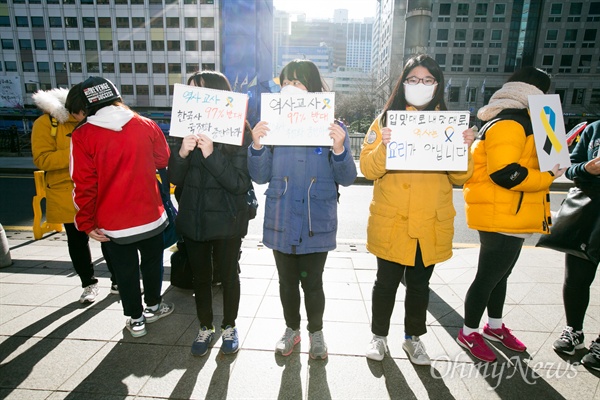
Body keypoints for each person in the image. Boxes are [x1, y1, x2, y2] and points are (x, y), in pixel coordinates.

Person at [359, 54, 475, 366]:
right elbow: (368, 169)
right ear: (403, 84)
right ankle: (378, 336)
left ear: (437, 85)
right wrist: (384, 145)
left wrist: (465, 148)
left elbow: (461, 177)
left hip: (429, 222)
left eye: (427, 80)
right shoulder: (385, 121)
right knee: (385, 283)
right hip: (393, 220)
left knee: (420, 286)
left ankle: (413, 338)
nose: (419, 85)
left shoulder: (450, 124)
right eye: (412, 80)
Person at [249, 59, 357, 360]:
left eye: (297, 82)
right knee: (286, 282)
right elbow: (259, 176)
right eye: (285, 83)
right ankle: (291, 329)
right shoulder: (272, 126)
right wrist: (257, 145)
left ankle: (317, 333)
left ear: (312, 87)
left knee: (313, 283)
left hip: (315, 219)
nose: (290, 88)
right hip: (282, 216)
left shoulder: (333, 127)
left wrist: (339, 149)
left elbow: (347, 178)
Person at [458, 67, 566, 362]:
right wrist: (547, 177)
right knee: (488, 277)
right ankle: (468, 332)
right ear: (537, 92)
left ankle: (493, 327)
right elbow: (505, 173)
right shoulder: (511, 123)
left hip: (510, 212)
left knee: (499, 276)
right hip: (502, 212)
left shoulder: (517, 120)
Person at [70, 76, 174, 338]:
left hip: (113, 222)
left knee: (125, 271)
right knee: (152, 263)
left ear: (86, 105)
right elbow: (162, 159)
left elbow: (83, 183)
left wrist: (86, 222)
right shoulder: (145, 124)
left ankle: (136, 320)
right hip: (151, 214)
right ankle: (153, 307)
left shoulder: (82, 135)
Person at [168, 70, 253, 356]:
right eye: (189, 92)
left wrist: (211, 154)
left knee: (229, 276)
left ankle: (229, 326)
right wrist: (181, 154)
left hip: (228, 220)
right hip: (194, 220)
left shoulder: (238, 131)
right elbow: (175, 178)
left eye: (199, 92)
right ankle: (205, 326)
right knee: (200, 278)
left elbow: (239, 184)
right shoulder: (184, 130)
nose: (193, 99)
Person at [31, 84, 116, 303]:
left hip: (98, 189)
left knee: (110, 238)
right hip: (66, 192)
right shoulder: (45, 124)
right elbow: (42, 159)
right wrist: (75, 151)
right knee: (77, 241)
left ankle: (118, 281)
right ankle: (88, 284)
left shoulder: (92, 120)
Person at [552, 119, 600, 371]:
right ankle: (574, 330)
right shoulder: (594, 129)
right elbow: (569, 167)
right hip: (588, 214)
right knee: (576, 279)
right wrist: (587, 169)